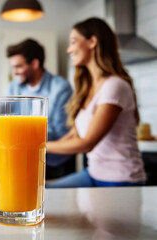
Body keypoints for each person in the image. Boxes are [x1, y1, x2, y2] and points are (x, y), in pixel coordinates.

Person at [47, 17, 146, 188]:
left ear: (92, 41)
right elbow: (74, 135)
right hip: (92, 174)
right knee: (46, 194)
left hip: (120, 180)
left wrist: (36, 146)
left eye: (73, 42)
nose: (68, 50)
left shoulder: (114, 86)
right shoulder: (88, 88)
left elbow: (87, 144)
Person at [7, 39, 74, 178]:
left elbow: (60, 132)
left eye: (19, 67)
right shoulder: (13, 87)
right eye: (13, 67)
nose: (15, 72)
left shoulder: (60, 88)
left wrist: (23, 138)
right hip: (23, 159)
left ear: (35, 64)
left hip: (54, 162)